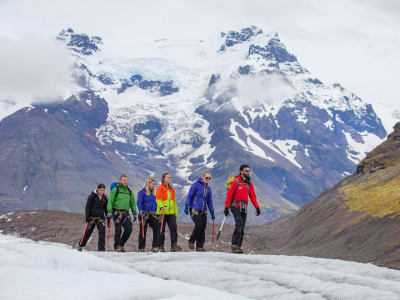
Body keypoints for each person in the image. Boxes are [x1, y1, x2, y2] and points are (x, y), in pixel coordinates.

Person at [225, 164, 261, 254]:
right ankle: (234, 245)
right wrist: (226, 207)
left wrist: (257, 207)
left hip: (244, 208)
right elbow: (229, 194)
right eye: (246, 171)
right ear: (241, 171)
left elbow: (252, 196)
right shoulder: (236, 181)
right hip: (235, 206)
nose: (248, 172)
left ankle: (238, 247)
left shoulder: (249, 183)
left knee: (242, 227)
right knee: (239, 224)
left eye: (249, 171)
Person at [184, 171, 215, 252]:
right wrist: (187, 206)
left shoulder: (208, 189)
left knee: (203, 228)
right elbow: (190, 196)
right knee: (199, 225)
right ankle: (191, 241)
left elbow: (210, 201)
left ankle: (199, 246)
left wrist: (212, 212)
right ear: (202, 177)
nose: (208, 179)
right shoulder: (195, 185)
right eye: (206, 178)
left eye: (209, 178)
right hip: (194, 209)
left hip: (203, 211)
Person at [107, 175, 137, 252]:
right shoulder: (115, 190)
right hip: (117, 213)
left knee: (129, 229)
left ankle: (121, 244)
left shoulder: (129, 191)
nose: (125, 182)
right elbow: (110, 201)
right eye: (123, 180)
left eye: (126, 180)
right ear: (120, 180)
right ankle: (117, 246)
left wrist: (134, 213)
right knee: (118, 230)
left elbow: (132, 203)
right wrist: (109, 211)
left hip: (126, 214)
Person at [156, 173, 182, 252]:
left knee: (174, 229)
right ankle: (161, 246)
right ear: (163, 178)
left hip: (171, 213)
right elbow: (158, 200)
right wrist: (161, 206)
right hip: (162, 212)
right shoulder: (160, 188)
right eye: (167, 177)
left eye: (170, 177)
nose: (169, 179)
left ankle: (174, 246)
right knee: (161, 230)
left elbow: (174, 202)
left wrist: (175, 213)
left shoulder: (171, 189)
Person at [78, 183, 108, 251]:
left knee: (102, 233)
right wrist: (87, 218)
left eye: (103, 190)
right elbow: (87, 208)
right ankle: (81, 245)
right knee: (87, 233)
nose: (102, 192)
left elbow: (106, 209)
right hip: (92, 218)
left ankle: (101, 250)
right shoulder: (92, 196)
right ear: (98, 189)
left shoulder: (105, 198)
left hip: (101, 218)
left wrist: (108, 216)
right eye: (101, 190)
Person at [137, 178, 160, 252]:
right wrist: (140, 210)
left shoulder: (153, 193)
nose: (154, 185)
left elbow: (154, 203)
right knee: (143, 231)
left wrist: (156, 210)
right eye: (152, 184)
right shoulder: (142, 192)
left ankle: (155, 247)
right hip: (144, 214)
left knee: (157, 228)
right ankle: (141, 247)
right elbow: (139, 202)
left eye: (154, 184)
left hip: (152, 214)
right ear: (148, 183)